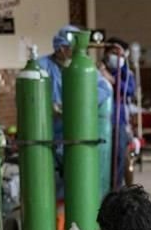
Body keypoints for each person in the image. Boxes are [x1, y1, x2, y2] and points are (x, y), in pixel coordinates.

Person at [37, 26, 113, 195]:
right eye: (69, 48)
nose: (71, 52)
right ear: (60, 48)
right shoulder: (41, 66)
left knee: (78, 185)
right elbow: (32, 95)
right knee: (50, 187)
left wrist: (80, 105)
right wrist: (49, 107)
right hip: (48, 135)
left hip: (76, 134)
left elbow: (104, 89)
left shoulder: (84, 68)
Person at [99, 37, 137, 188]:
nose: (117, 57)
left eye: (120, 54)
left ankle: (115, 193)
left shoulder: (126, 74)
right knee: (102, 161)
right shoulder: (96, 70)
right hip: (99, 122)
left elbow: (128, 90)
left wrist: (112, 80)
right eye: (113, 53)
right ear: (106, 53)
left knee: (119, 160)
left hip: (118, 123)